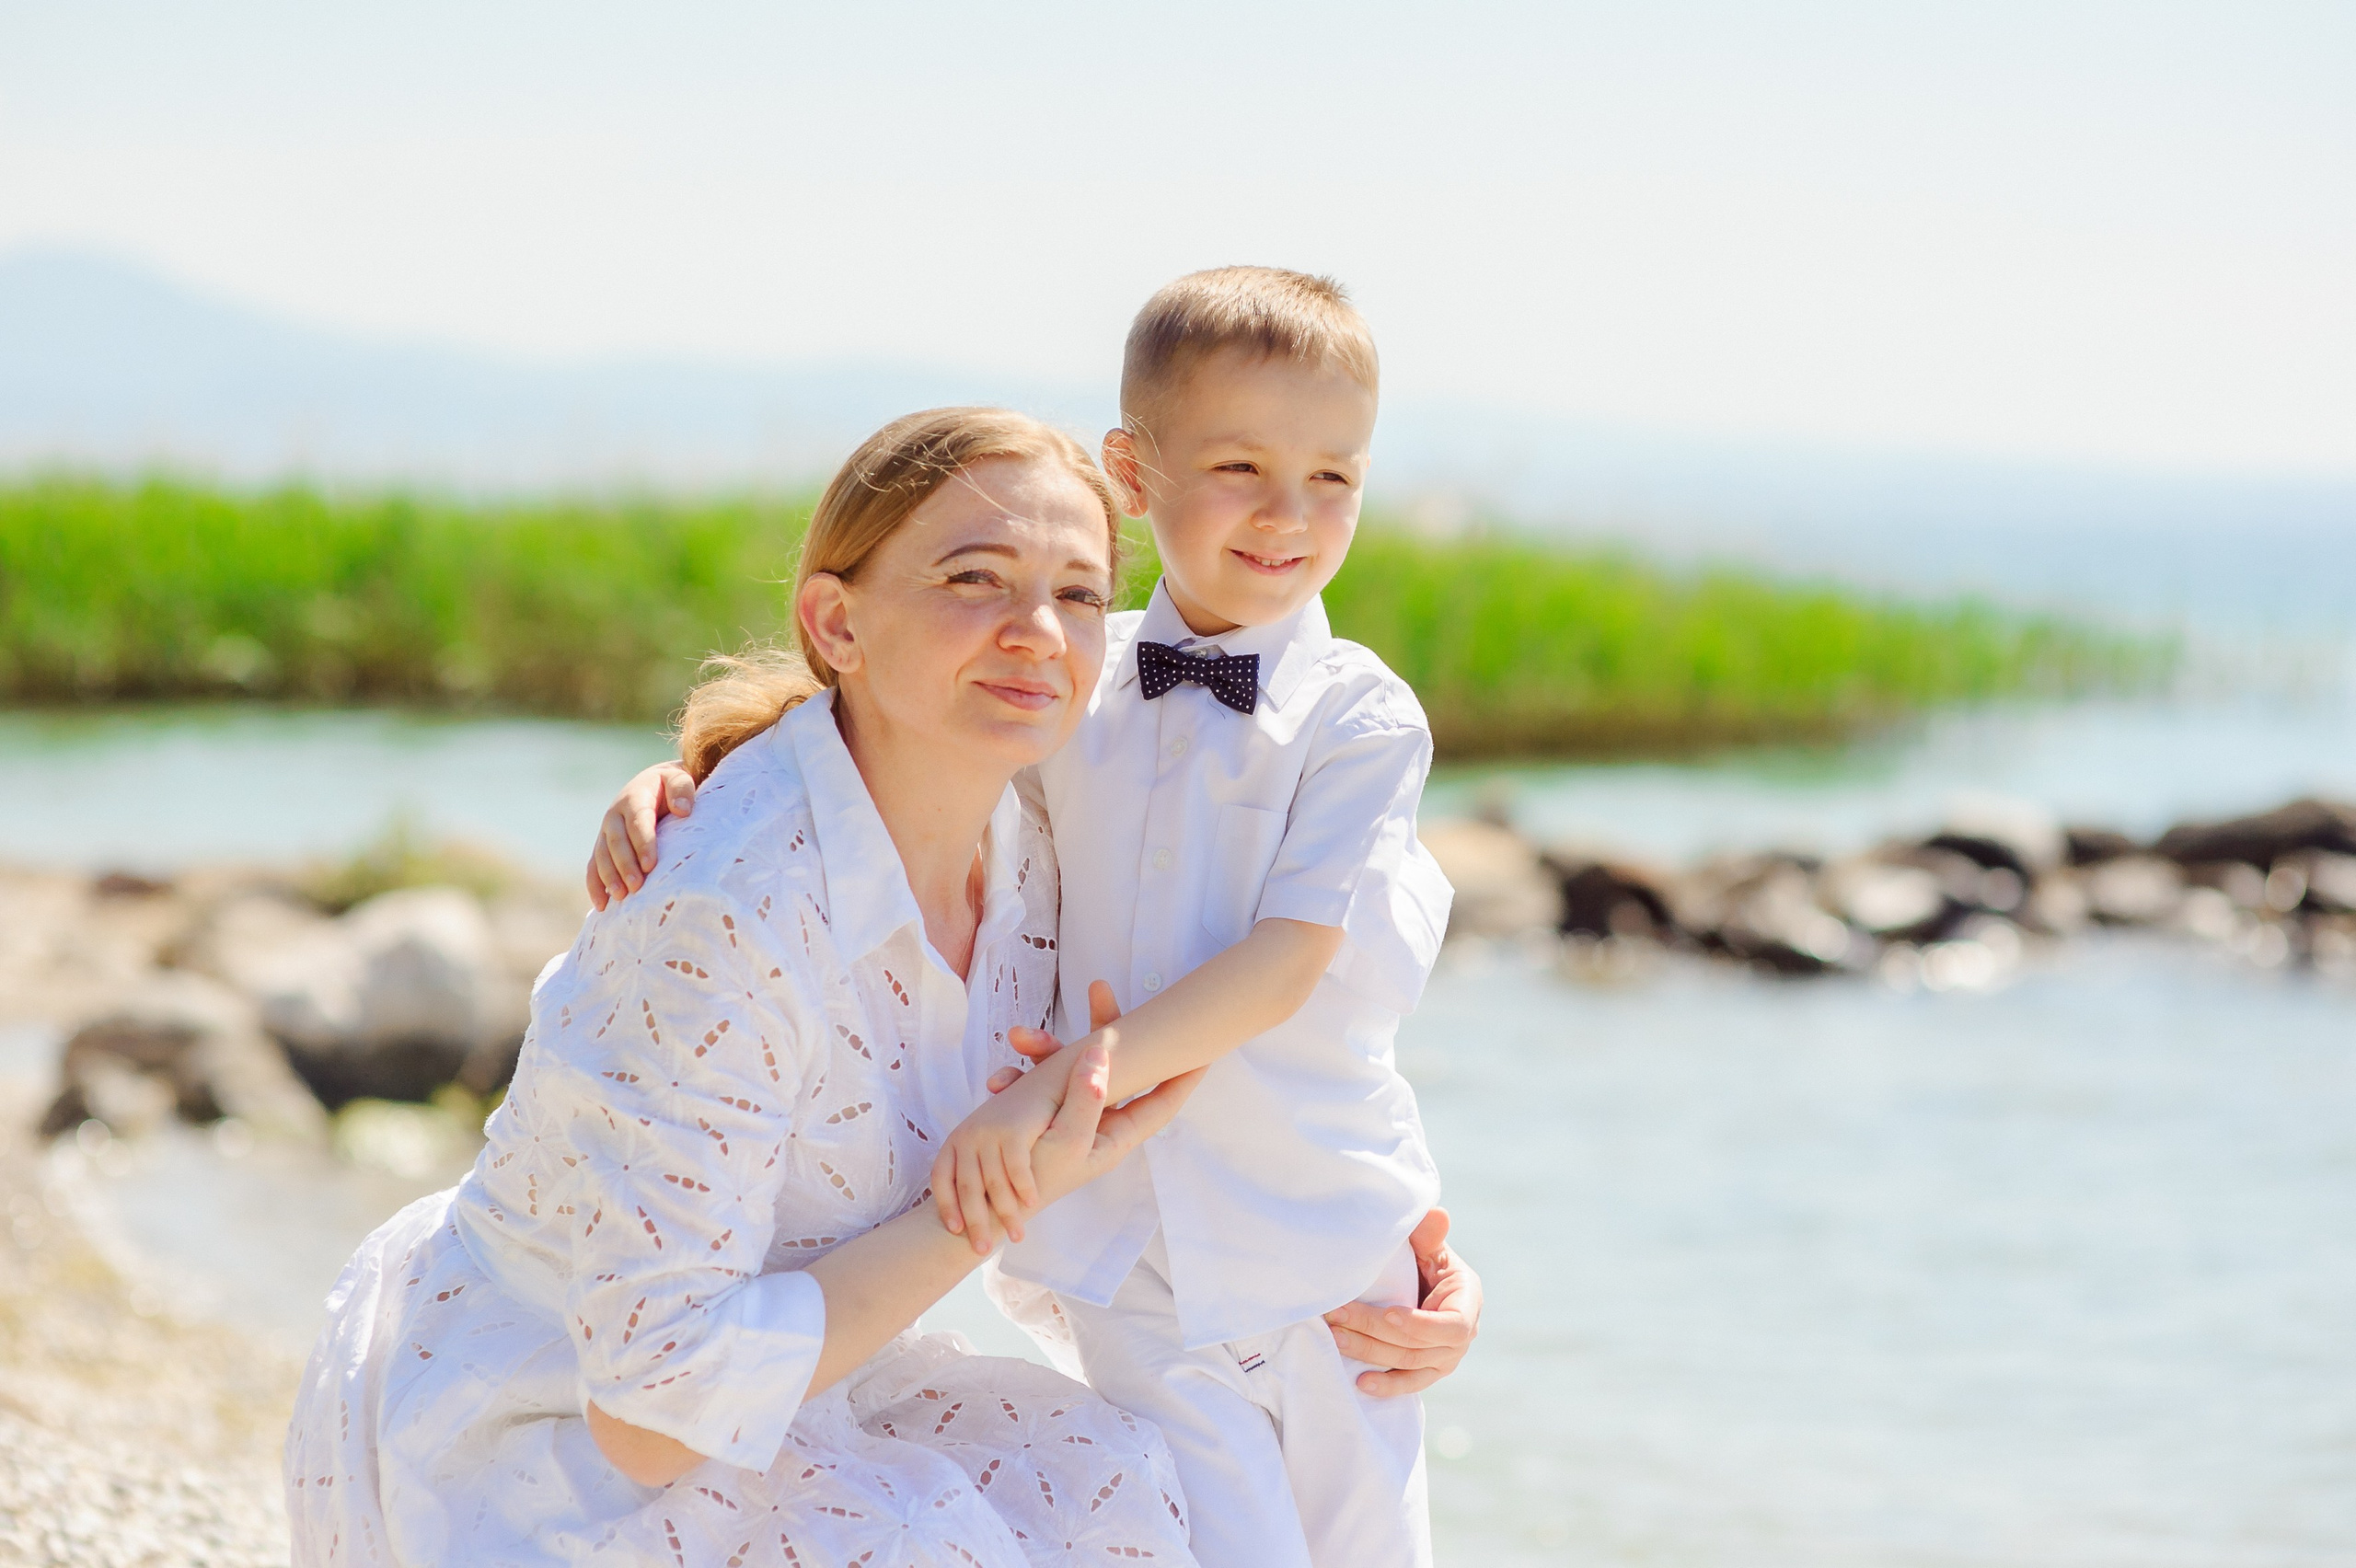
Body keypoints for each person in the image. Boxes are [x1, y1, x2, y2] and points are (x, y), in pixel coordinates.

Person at [590, 267, 1471, 1568]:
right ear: (1134, 469)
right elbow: (882, 722)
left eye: (1334, 477)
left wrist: (1064, 1082)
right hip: (1127, 1247)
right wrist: (690, 776)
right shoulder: (1075, 669)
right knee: (1218, 1544)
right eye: (1241, 465)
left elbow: (1290, 968)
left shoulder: (1360, 716)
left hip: (1317, 1232)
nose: (1291, 514)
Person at [284, 409, 1207, 1568]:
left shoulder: (1042, 827)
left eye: (1078, 595)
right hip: (559, 1427)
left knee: (1125, 1477)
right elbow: (650, 1414)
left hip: (812, 1367)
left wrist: (1384, 1266)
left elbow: (1305, 920)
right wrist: (993, 1197)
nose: (1037, 632)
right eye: (974, 578)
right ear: (837, 621)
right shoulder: (724, 916)